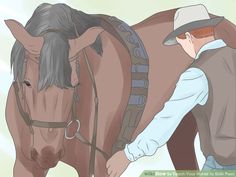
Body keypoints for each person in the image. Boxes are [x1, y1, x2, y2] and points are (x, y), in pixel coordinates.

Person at [106, 4, 236, 177]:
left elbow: (166, 120)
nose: (182, 48)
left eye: (180, 42)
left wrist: (128, 155)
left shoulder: (197, 73)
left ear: (189, 37)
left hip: (224, 166)